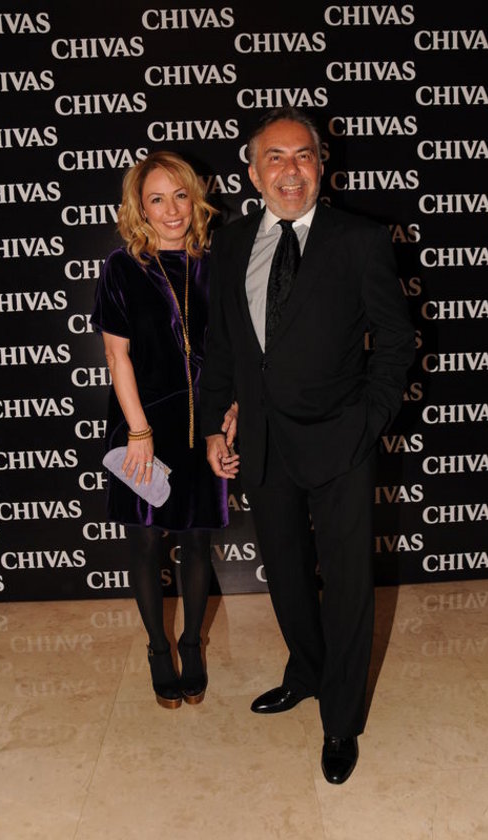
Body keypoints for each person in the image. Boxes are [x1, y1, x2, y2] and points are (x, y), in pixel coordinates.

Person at [200, 107, 415, 783]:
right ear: (253, 171)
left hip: (342, 440)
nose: (290, 171)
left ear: (322, 165)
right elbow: (223, 347)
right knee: (288, 577)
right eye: (275, 157)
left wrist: (369, 421)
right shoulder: (231, 243)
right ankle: (307, 672)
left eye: (303, 156)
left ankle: (341, 720)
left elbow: (398, 340)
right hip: (263, 442)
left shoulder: (360, 240)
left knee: (347, 587)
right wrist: (213, 426)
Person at [91, 150, 239, 710]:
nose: (172, 209)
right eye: (157, 198)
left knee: (198, 539)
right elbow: (117, 355)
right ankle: (158, 648)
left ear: (195, 199)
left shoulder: (217, 265)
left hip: (203, 425)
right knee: (146, 540)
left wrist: (230, 415)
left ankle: (192, 644)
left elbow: (235, 352)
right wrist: (138, 431)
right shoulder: (123, 267)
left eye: (180, 195)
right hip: (142, 422)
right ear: (140, 207)